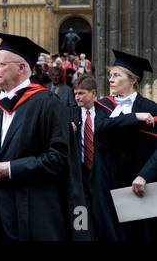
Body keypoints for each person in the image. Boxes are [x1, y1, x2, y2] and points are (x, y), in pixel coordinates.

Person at [0, 31, 88, 241]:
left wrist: (10, 169)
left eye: (1, 64)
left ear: (21, 68)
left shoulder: (48, 103)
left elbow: (58, 158)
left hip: (34, 210)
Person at [91, 49, 157, 241]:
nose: (111, 79)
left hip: (138, 181)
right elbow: (101, 127)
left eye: (117, 75)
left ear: (133, 80)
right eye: (110, 75)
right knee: (109, 232)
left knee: (137, 233)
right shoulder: (104, 106)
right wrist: (134, 118)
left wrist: (145, 175)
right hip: (107, 179)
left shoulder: (150, 108)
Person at [69, 74, 97, 239]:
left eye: (81, 93)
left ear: (93, 93)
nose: (77, 97)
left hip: (99, 171)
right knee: (81, 212)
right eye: (75, 93)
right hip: (79, 172)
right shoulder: (70, 112)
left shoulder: (104, 112)